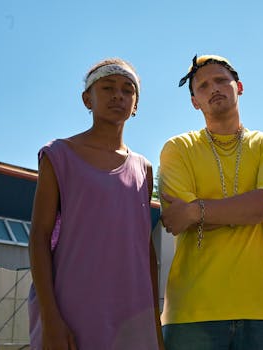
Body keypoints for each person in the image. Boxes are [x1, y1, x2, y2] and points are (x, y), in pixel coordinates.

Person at [158, 54, 263, 350]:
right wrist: (248, 209)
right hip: (193, 310)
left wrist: (196, 210)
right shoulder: (178, 148)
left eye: (221, 80)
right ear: (194, 101)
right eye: (203, 86)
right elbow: (176, 219)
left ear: (239, 87)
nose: (214, 88)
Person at [28, 58, 164, 349]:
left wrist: (154, 325)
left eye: (128, 90)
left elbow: (145, 249)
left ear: (136, 104)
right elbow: (39, 237)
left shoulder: (144, 168)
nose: (118, 95)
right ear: (86, 98)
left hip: (132, 317)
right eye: (107, 87)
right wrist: (51, 319)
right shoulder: (58, 155)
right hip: (73, 311)